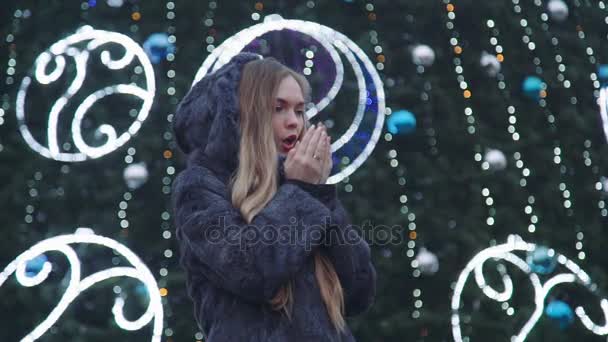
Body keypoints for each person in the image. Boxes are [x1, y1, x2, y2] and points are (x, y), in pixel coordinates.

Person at [171, 52, 376, 341]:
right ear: (244, 115)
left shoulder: (300, 190)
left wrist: (320, 195)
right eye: (278, 108)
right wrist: (303, 192)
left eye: (299, 110)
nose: (293, 122)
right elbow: (250, 271)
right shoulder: (200, 186)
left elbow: (358, 292)